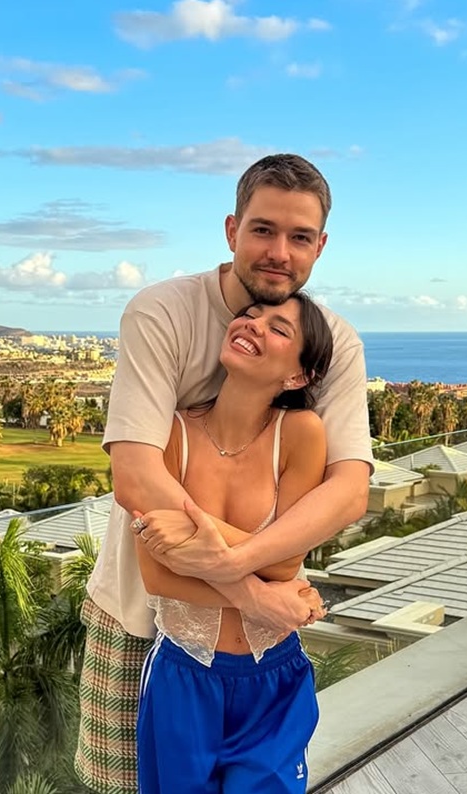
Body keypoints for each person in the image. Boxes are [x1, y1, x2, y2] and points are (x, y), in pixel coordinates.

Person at [76, 154, 373, 794]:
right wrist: (255, 592)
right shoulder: (163, 312)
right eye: (263, 229)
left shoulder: (332, 345)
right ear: (232, 229)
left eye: (299, 236)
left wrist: (238, 569)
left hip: (259, 644)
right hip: (141, 613)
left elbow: (349, 490)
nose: (279, 252)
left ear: (320, 246)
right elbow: (135, 478)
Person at [134, 292, 332, 793]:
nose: (253, 325)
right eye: (250, 315)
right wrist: (261, 595)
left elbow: (285, 562)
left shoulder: (300, 434)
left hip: (274, 676)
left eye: (279, 328)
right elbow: (156, 575)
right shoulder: (171, 434)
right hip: (184, 673)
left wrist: (193, 530)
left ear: (298, 376)